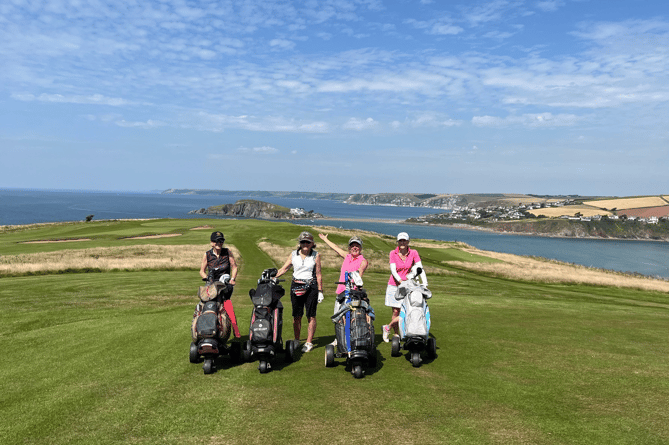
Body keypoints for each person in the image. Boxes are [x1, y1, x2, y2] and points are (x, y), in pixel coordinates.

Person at [276, 231, 323, 353]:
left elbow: (318, 274)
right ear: (300, 243)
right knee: (296, 315)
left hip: (311, 287)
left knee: (311, 315)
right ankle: (297, 340)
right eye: (303, 242)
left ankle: (308, 342)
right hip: (296, 285)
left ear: (312, 243)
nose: (305, 244)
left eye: (308, 242)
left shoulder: (316, 255)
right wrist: (273, 277)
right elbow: (284, 268)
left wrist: (320, 290)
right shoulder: (293, 254)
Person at [383, 232, 427, 342]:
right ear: (398, 242)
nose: (402, 243)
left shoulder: (413, 252)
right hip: (394, 285)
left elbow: (419, 267)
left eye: (404, 240)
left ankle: (388, 327)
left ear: (408, 242)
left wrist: (424, 282)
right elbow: (393, 270)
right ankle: (397, 334)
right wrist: (400, 280)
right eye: (400, 241)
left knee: (408, 310)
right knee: (396, 312)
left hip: (408, 286)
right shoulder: (393, 253)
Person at [199, 231, 240, 338]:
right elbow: (202, 271)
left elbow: (234, 267)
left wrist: (232, 279)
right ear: (212, 243)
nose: (219, 243)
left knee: (226, 305)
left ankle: (236, 331)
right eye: (216, 241)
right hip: (211, 285)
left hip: (225, 285)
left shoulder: (227, 252)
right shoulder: (207, 255)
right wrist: (206, 278)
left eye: (221, 241)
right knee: (205, 306)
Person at [318, 233, 368, 313]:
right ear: (349, 248)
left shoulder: (363, 261)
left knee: (351, 318)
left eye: (357, 246)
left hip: (353, 293)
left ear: (360, 248)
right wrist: (325, 239)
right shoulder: (347, 256)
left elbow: (360, 272)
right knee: (337, 318)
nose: (354, 248)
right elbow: (335, 247)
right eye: (352, 246)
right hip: (341, 291)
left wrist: (356, 280)